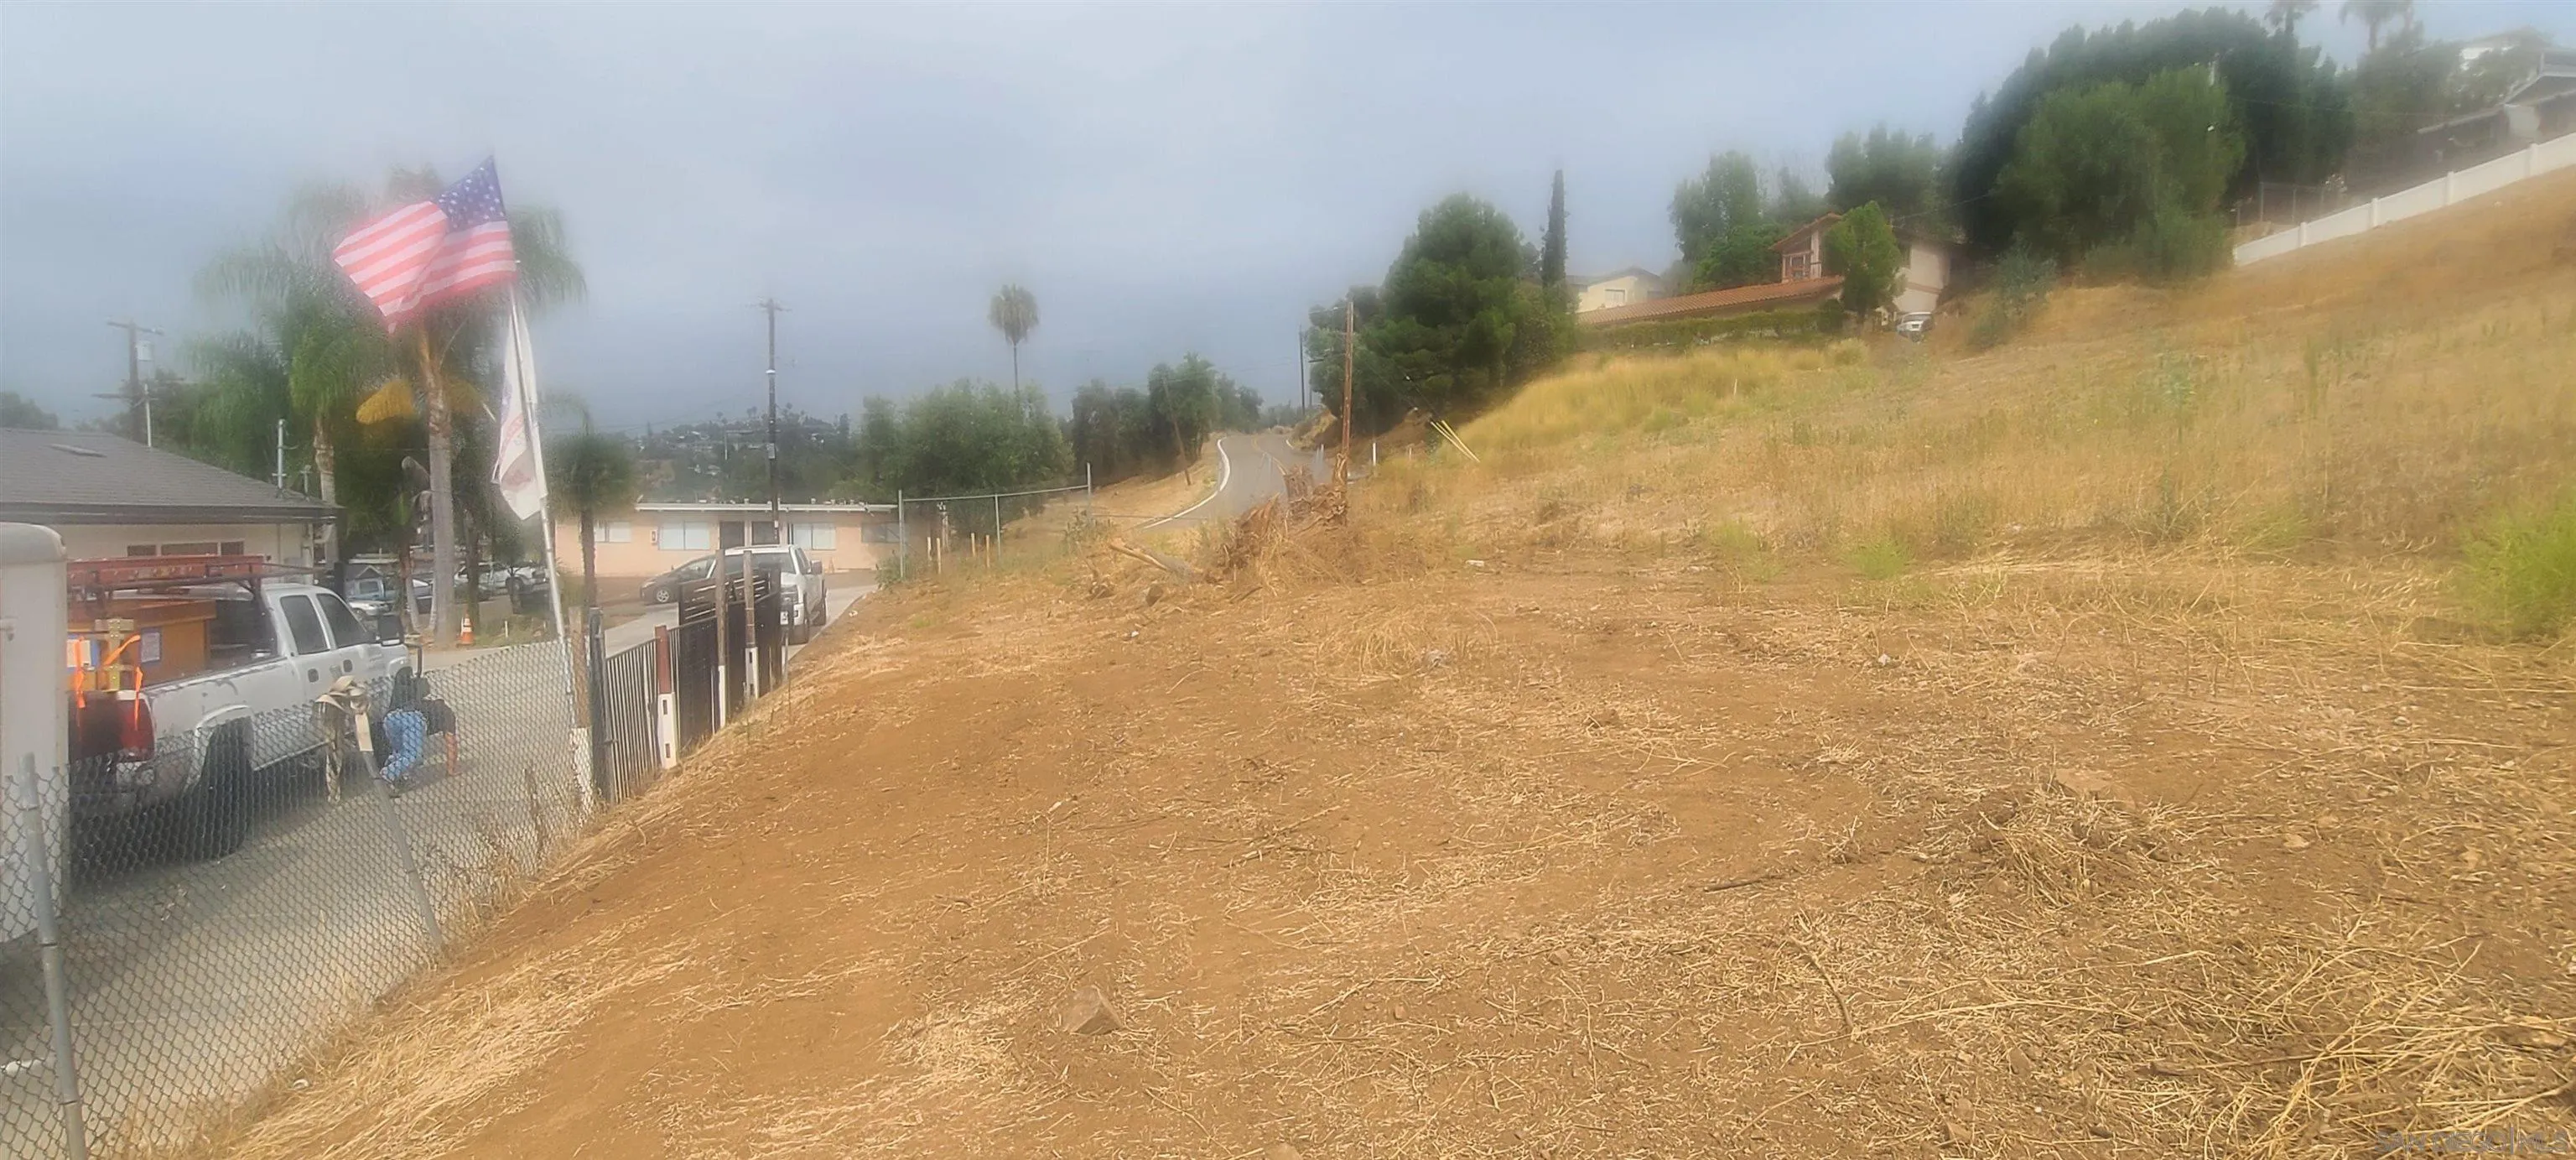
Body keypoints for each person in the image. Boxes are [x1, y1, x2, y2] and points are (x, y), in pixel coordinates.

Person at [379, 670, 429, 786]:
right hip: (410, 718)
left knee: (400, 751)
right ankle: (387, 775)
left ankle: (400, 776)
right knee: (413, 755)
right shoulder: (412, 689)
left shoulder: (392, 689)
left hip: (390, 718)